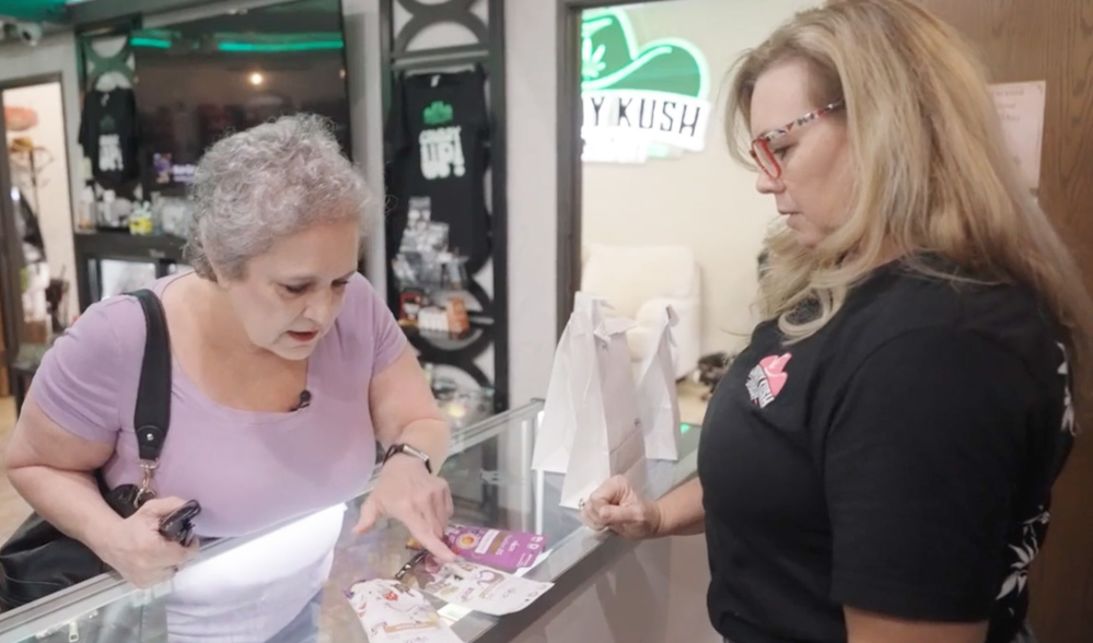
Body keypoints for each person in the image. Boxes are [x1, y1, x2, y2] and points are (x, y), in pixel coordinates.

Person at [581, 2, 1092, 642]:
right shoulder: (843, 285)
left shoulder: (935, 350)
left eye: (784, 146)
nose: (766, 183)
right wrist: (658, 515)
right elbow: (787, 465)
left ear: (892, 127)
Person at [4, 114, 456, 642]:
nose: (324, 311)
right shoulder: (120, 339)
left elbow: (421, 419)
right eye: (294, 287)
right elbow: (33, 462)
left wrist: (410, 461)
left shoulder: (357, 309)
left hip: (297, 611)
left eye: (339, 279)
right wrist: (110, 536)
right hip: (158, 629)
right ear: (219, 263)